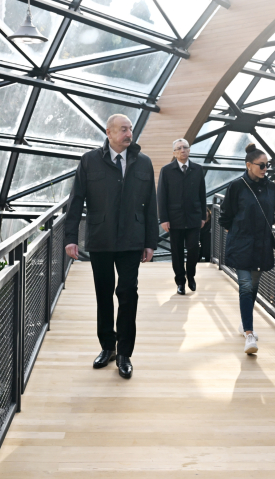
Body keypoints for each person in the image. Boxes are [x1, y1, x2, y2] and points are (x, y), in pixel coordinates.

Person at [64, 114, 158, 379]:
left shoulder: (144, 163)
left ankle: (125, 353)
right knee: (103, 294)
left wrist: (150, 242)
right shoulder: (90, 161)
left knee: (128, 294)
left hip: (132, 240)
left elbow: (151, 205)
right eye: (123, 129)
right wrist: (71, 237)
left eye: (130, 129)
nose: (129, 133)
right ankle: (108, 347)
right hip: (101, 238)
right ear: (109, 133)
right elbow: (76, 200)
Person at [219, 143, 275, 355]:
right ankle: (249, 333)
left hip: (261, 244)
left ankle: (244, 322)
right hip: (242, 243)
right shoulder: (237, 186)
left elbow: (273, 212)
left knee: (253, 286)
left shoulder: (271, 187)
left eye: (267, 166)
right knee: (245, 285)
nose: (265, 169)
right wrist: (238, 233)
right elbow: (225, 216)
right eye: (261, 165)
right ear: (248, 165)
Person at [157, 139, 207, 295]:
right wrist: (163, 219)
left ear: (189, 150)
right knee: (177, 252)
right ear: (174, 152)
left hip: (193, 218)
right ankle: (180, 281)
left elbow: (202, 195)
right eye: (178, 148)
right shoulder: (166, 171)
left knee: (193, 249)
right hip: (174, 218)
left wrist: (203, 216)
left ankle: (191, 275)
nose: (182, 150)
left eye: (185, 147)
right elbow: (161, 196)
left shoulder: (198, 169)